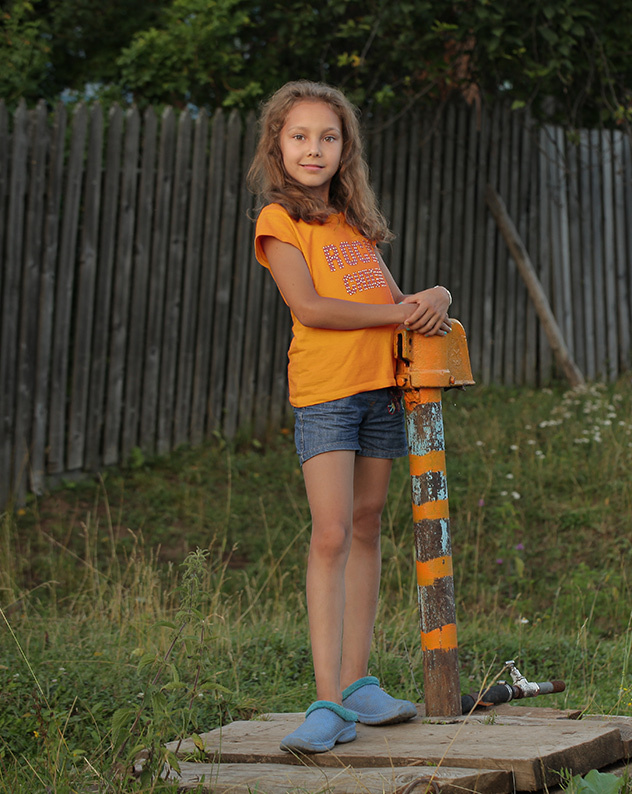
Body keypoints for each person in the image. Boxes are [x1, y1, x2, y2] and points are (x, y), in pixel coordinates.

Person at [248, 80, 452, 753]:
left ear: (345, 149)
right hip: (327, 394)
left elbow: (401, 300)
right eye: (299, 136)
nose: (313, 148)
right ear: (278, 145)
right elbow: (311, 308)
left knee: (366, 526)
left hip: (380, 392)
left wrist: (438, 294)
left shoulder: (354, 226)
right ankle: (327, 703)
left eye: (327, 137)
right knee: (331, 534)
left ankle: (358, 684)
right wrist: (402, 312)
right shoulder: (278, 221)